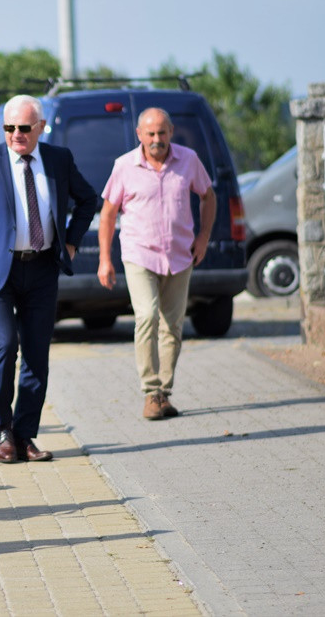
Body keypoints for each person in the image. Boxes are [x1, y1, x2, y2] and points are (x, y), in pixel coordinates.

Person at [0, 94, 96, 464]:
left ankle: (25, 435)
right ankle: (3, 428)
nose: (16, 135)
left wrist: (71, 242)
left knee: (37, 355)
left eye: (24, 128)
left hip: (42, 269)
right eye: (9, 128)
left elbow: (88, 200)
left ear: (40, 127)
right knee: (6, 346)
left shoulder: (59, 160)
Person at [97, 107, 216, 420]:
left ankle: (164, 392)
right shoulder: (124, 166)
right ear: (139, 135)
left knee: (173, 327)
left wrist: (203, 237)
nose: (156, 139)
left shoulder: (188, 160)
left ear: (171, 132)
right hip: (139, 254)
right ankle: (150, 392)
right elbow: (108, 214)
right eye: (150, 133)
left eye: (162, 133)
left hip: (179, 255)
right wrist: (105, 259)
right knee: (147, 316)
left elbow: (208, 196)